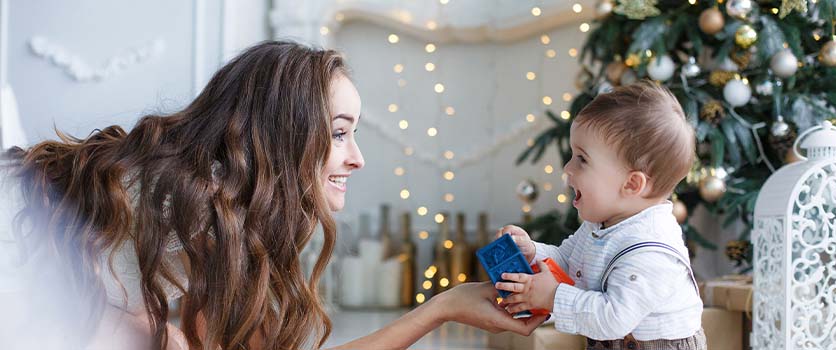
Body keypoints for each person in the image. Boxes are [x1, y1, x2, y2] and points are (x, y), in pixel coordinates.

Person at [0, 40, 545, 350]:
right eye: (337, 132)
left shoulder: (223, 207)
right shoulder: (197, 202)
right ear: (283, 133)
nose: (356, 157)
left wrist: (442, 308)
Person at [494, 81, 706, 349]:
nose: (568, 168)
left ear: (631, 184)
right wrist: (531, 252)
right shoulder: (603, 224)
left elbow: (613, 319)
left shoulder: (651, 250)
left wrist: (553, 297)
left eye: (582, 159)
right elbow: (569, 262)